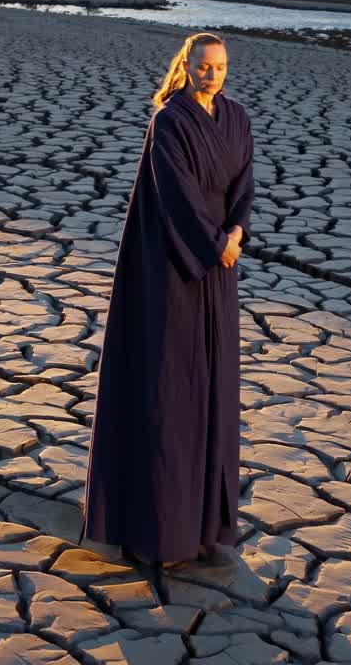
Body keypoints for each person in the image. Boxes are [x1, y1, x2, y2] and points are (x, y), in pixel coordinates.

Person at [77, 31, 256, 569]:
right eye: (204, 67)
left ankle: (206, 530)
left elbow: (244, 185)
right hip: (173, 270)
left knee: (213, 390)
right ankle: (159, 532)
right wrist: (213, 244)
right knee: (171, 390)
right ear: (186, 67)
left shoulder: (237, 119)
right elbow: (174, 194)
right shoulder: (170, 121)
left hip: (220, 270)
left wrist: (237, 233)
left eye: (220, 67)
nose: (213, 75)